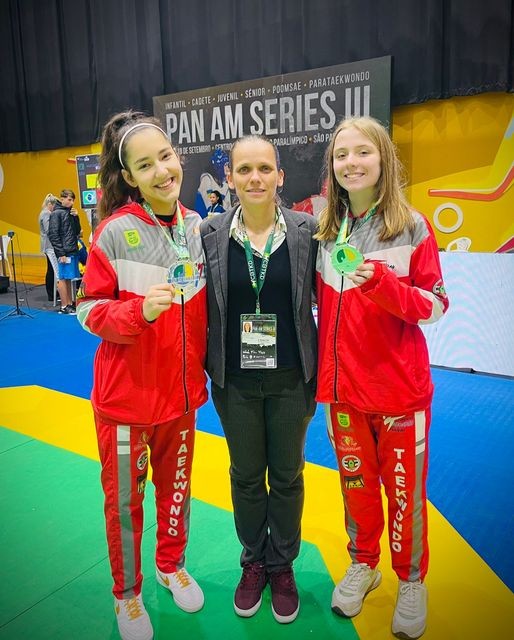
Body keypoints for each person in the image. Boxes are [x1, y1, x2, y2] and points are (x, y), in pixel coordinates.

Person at [315, 116, 449, 640]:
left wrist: (383, 285)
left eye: (362, 152)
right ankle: (363, 562)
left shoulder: (412, 226)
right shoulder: (326, 231)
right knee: (357, 490)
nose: (351, 162)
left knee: (404, 494)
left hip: (400, 394)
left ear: (384, 159)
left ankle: (411, 580)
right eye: (341, 154)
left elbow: (436, 306)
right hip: (345, 394)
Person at [76, 110, 208, 640]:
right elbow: (88, 309)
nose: (161, 171)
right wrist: (138, 312)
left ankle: (171, 566)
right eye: (145, 165)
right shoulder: (114, 232)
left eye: (166, 157)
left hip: (180, 398)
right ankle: (127, 596)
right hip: (126, 401)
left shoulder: (198, 228)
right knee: (126, 505)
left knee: (177, 491)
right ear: (129, 176)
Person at [200, 135, 318, 625]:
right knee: (246, 476)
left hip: (292, 378)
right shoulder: (208, 233)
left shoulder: (308, 231)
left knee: (287, 475)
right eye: (244, 169)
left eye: (265, 168)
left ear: (280, 176)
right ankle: (253, 561)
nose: (255, 178)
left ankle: (281, 564)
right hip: (235, 382)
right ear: (229, 178)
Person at [47, 188, 82, 314]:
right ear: (62, 199)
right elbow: (53, 235)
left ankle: (69, 303)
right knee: (62, 278)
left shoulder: (69, 213)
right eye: (69, 199)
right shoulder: (56, 214)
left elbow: (77, 231)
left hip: (72, 250)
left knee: (68, 278)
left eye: (73, 200)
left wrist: (76, 217)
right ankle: (64, 305)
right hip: (64, 251)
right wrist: (60, 253)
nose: (72, 202)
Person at [38, 193, 59, 302]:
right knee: (51, 270)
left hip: (48, 245)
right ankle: (51, 293)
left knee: (51, 269)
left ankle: (53, 293)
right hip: (49, 245)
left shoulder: (44, 213)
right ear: (50, 204)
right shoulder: (46, 213)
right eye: (54, 206)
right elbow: (48, 230)